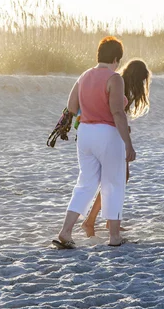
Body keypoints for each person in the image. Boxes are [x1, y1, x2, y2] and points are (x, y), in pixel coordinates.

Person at [53, 36, 135, 249]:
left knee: (86, 183)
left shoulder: (83, 76)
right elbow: (117, 112)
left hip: (85, 134)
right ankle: (114, 237)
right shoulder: (114, 78)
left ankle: (66, 230)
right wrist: (128, 143)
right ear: (116, 58)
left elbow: (71, 107)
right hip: (107, 133)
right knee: (113, 182)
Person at [81, 59, 151, 237]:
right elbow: (115, 113)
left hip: (105, 134)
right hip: (109, 135)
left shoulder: (119, 80)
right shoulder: (119, 83)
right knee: (115, 179)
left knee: (117, 178)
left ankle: (109, 221)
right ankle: (91, 221)